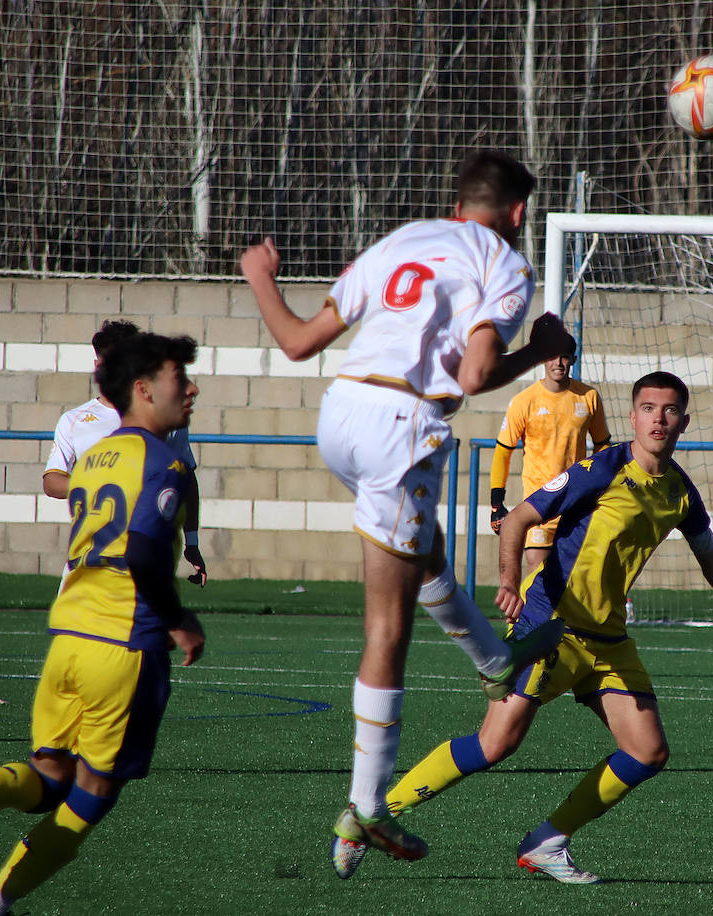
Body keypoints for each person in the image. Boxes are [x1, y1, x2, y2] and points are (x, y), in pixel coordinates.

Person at [239, 149, 577, 873]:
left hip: (342, 416)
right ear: (517, 212)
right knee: (386, 627)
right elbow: (477, 374)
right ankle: (366, 805)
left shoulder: (404, 239)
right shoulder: (503, 263)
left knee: (421, 558)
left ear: (459, 201)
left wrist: (259, 278)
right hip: (402, 427)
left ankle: (494, 660)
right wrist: (538, 349)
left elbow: (298, 341)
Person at [335, 371, 713, 884]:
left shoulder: (680, 492)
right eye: (648, 408)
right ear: (632, 417)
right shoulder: (602, 467)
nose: (659, 418)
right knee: (495, 745)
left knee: (648, 751)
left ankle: (547, 840)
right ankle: (367, 819)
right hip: (551, 627)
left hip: (607, 640)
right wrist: (511, 582)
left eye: (670, 410)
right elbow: (517, 518)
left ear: (683, 421)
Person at [0, 332, 208, 916]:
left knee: (49, 774)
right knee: (91, 796)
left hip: (69, 640)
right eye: (178, 379)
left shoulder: (94, 457)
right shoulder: (166, 462)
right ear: (142, 389)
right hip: (124, 646)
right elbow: (138, 549)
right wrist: (180, 617)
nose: (190, 388)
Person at [43, 320, 207, 586]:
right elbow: (52, 482)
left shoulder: (164, 421)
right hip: (85, 570)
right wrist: (100, 481)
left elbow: (186, 478)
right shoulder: (75, 421)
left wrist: (193, 540)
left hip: (140, 570)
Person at [488, 339, 610, 574]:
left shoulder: (589, 397)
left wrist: (597, 487)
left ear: (573, 359)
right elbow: (503, 451)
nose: (558, 363)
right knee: (537, 573)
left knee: (577, 578)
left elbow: (602, 445)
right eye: (552, 356)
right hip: (539, 503)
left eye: (564, 356)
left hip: (577, 502)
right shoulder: (524, 401)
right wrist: (496, 502)